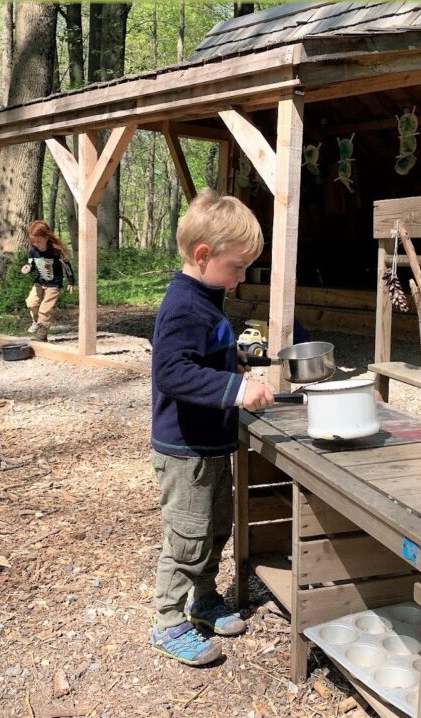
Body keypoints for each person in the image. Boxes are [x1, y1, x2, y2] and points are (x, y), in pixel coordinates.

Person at [149, 189, 276, 666]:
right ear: (203, 256)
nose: (242, 278)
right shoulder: (184, 305)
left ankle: (203, 600)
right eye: (238, 267)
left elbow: (204, 356)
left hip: (209, 445)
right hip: (184, 450)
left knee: (215, 526)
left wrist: (238, 361)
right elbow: (171, 372)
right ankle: (167, 620)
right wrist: (237, 390)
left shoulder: (206, 295)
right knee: (187, 537)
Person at [20, 220, 75, 342]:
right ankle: (37, 321)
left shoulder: (56, 251)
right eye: (33, 241)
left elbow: (67, 266)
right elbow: (31, 264)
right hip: (40, 282)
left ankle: (41, 335)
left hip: (54, 285)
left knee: (45, 310)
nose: (36, 244)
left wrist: (71, 281)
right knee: (31, 302)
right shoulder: (33, 251)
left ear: (46, 237)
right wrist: (28, 268)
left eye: (38, 241)